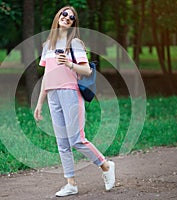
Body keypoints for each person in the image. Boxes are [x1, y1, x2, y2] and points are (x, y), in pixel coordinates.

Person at [34, 5, 116, 197]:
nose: (67, 18)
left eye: (71, 18)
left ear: (73, 24)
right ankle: (70, 183)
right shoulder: (48, 45)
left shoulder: (75, 43)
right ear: (58, 16)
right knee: (62, 142)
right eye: (64, 14)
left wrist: (69, 63)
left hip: (70, 93)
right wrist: (39, 103)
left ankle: (105, 165)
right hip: (53, 95)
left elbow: (87, 70)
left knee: (77, 139)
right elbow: (46, 76)